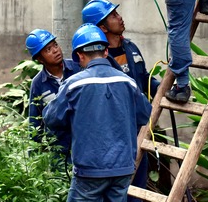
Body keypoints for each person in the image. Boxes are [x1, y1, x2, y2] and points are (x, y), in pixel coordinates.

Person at [43, 23, 153, 202]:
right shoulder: (128, 82)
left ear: (79, 55)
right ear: (106, 52)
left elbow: (51, 118)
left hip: (89, 171)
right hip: (123, 170)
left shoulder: (73, 84)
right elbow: (144, 115)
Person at [82, 0, 159, 201]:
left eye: (117, 13)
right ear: (102, 27)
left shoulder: (131, 47)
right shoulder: (99, 59)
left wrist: (164, 88)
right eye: (113, 15)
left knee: (136, 188)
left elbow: (143, 78)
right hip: (111, 137)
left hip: (135, 130)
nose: (120, 17)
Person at [25, 28, 81, 155]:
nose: (55, 50)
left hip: (85, 145)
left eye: (55, 45)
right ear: (40, 59)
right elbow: (35, 123)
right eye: (48, 50)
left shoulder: (78, 68)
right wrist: (34, 157)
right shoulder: (38, 84)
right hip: (59, 151)